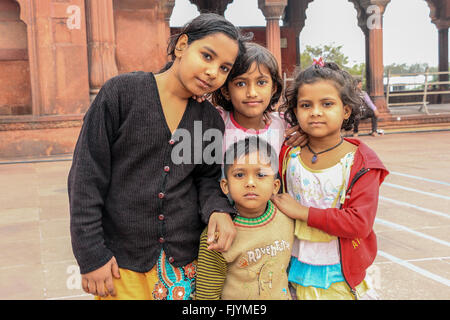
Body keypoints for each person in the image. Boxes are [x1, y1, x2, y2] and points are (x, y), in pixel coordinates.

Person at [68, 13, 247, 300]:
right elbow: (86, 177)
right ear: (181, 46)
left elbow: (206, 179)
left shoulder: (208, 121)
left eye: (224, 68)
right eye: (206, 56)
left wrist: (218, 210)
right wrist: (90, 254)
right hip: (121, 263)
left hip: (183, 267)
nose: (213, 71)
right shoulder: (121, 94)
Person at [272, 61, 389, 300]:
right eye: (306, 105)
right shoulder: (288, 154)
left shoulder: (361, 161)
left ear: (346, 110)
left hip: (338, 271)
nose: (315, 112)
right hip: (292, 265)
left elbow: (359, 222)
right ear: (295, 111)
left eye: (327, 104)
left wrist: (303, 212)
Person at [195, 136, 294, 300]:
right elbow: (206, 296)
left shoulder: (286, 218)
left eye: (261, 174)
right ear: (225, 186)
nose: (250, 182)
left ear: (275, 186)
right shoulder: (218, 233)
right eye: (240, 175)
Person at [211, 42, 306, 159]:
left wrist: (306, 134)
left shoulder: (284, 124)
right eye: (240, 83)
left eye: (261, 82)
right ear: (226, 91)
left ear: (273, 88)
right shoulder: (217, 121)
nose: (252, 93)